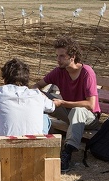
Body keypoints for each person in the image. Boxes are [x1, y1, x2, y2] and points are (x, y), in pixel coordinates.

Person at [31, 36, 101, 172]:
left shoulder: (87, 72)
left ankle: (67, 153)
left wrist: (62, 102)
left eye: (62, 56)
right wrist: (31, 94)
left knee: (77, 111)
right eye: (57, 56)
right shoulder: (59, 72)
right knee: (39, 96)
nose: (58, 59)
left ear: (72, 56)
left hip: (89, 117)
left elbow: (90, 105)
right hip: (68, 111)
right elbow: (38, 86)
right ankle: (31, 139)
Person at [0, 58, 60, 148]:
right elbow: (52, 107)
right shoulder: (37, 95)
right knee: (45, 117)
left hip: (1, 150)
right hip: (34, 148)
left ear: (5, 78)